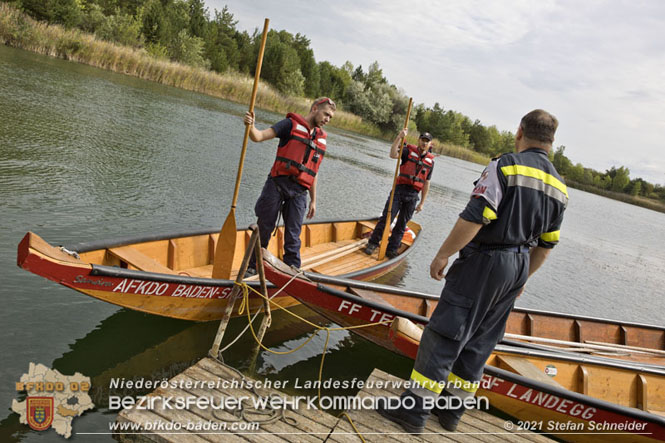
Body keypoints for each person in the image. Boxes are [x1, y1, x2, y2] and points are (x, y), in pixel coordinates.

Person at [378, 109, 568, 433]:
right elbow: (547, 245)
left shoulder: (505, 165)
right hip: (518, 266)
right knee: (481, 340)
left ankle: (414, 411)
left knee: (444, 333)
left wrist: (443, 254)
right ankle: (450, 413)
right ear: (551, 141)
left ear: (519, 131)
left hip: (485, 261)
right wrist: (523, 278)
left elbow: (477, 215)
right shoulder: (559, 188)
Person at [243, 97, 336, 275]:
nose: (327, 119)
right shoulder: (289, 124)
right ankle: (253, 267)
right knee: (265, 227)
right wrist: (251, 126)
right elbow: (258, 136)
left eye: (330, 117)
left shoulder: (321, 138)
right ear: (315, 108)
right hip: (277, 184)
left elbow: (312, 171)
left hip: (300, 192)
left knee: (293, 235)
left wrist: (314, 200)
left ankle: (291, 271)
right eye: (326, 114)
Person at [364, 130, 435, 258]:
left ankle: (391, 249)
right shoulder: (408, 151)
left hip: (413, 195)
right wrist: (399, 137)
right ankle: (373, 243)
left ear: (430, 144)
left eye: (427, 141)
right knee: (387, 218)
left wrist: (422, 203)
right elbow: (392, 154)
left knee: (402, 224)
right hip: (399, 190)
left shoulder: (431, 162)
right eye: (422, 140)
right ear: (419, 140)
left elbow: (426, 183)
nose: (424, 143)